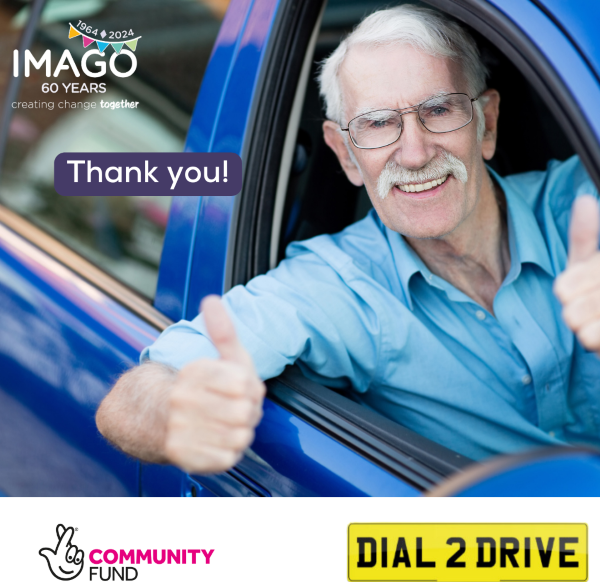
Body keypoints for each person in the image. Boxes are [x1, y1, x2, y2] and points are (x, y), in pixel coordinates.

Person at [96, 5, 600, 472]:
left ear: (486, 124)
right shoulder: (338, 286)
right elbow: (137, 395)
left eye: (440, 110)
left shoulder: (581, 200)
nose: (415, 152)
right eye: (379, 124)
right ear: (346, 156)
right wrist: (178, 414)